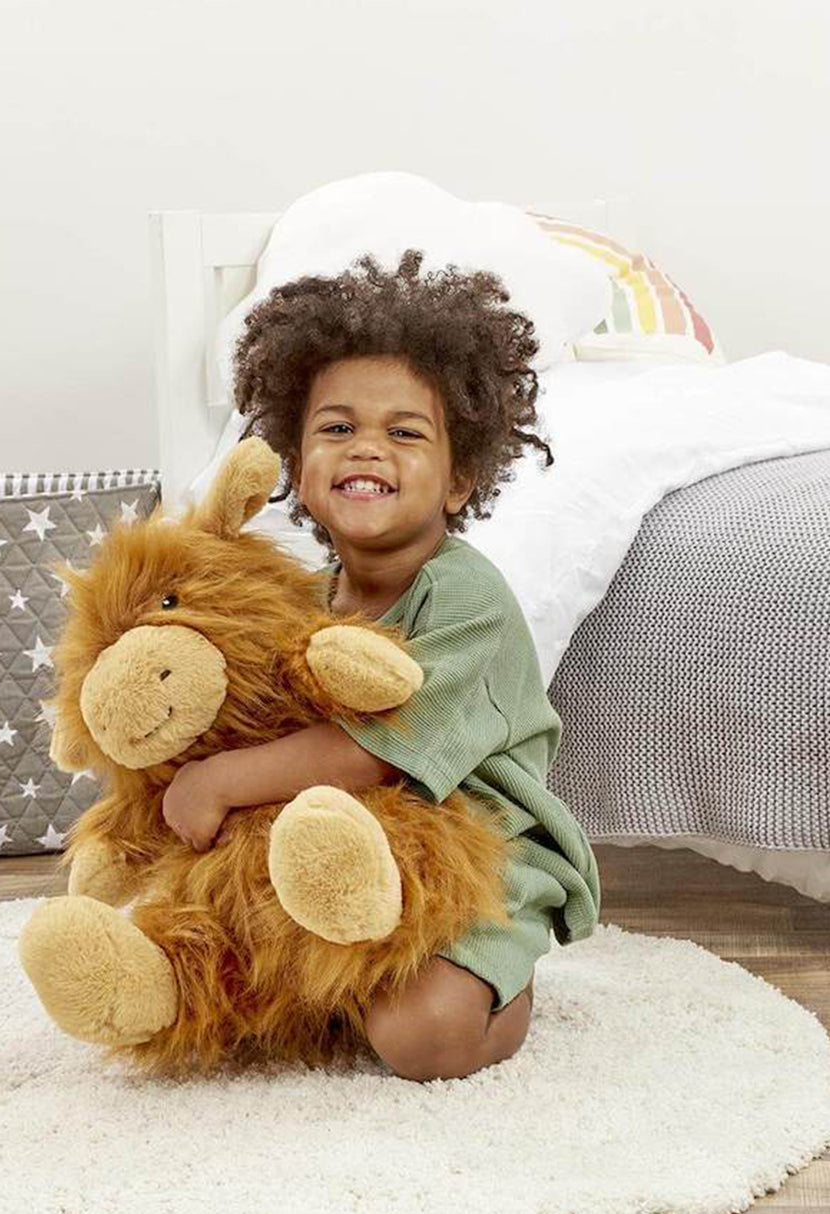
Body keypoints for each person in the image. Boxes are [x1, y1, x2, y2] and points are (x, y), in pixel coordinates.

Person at [160, 249, 601, 1082]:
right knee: (219, 963)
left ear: (460, 477)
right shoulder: (313, 597)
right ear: (297, 463)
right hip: (344, 845)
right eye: (337, 428)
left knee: (423, 1041)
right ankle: (319, 969)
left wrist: (219, 780)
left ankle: (502, 987)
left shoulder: (464, 598)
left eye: (405, 432)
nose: (368, 449)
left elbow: (370, 746)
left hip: (479, 859)